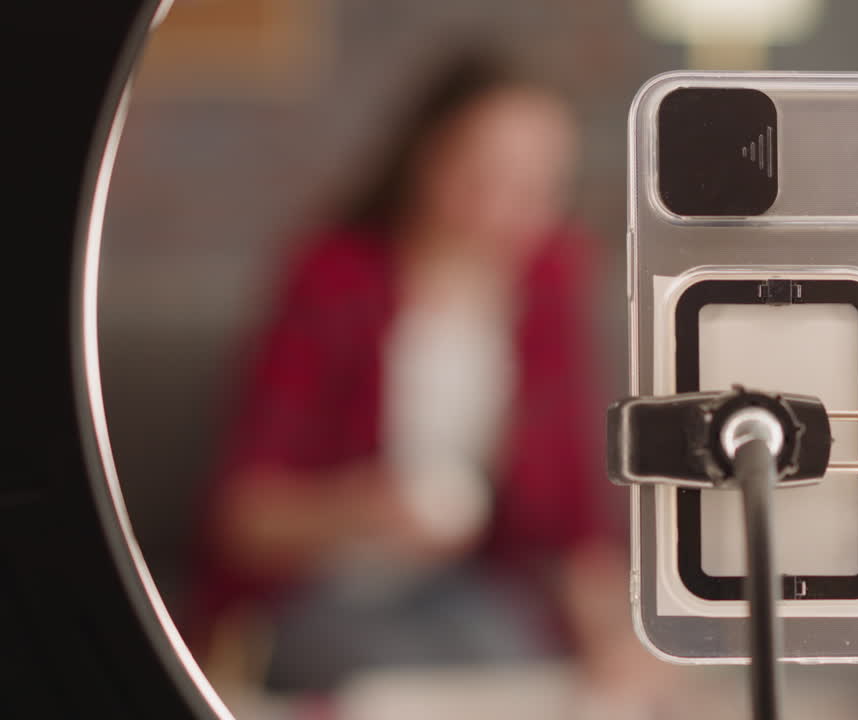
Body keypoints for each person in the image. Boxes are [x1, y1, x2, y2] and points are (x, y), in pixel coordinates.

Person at [186, 52, 617, 694]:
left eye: (535, 187)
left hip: (479, 586)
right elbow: (245, 516)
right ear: (426, 156)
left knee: (513, 660)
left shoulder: (553, 279)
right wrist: (357, 511)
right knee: (401, 670)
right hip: (321, 586)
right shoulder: (332, 278)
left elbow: (575, 511)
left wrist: (616, 638)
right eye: (482, 175)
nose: (502, 209)